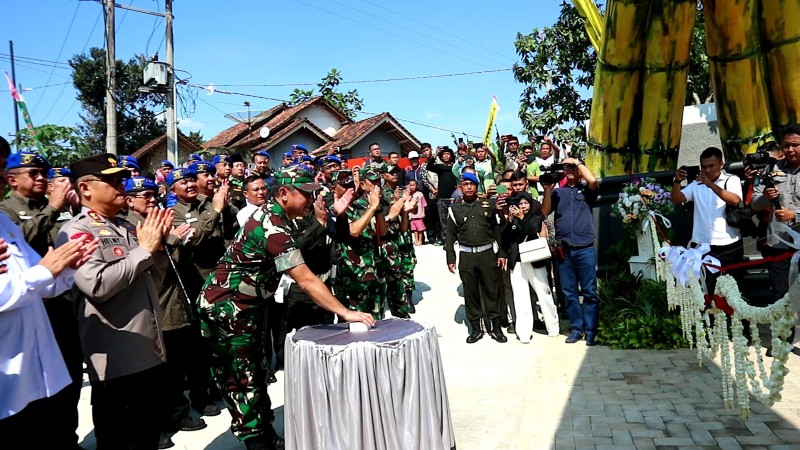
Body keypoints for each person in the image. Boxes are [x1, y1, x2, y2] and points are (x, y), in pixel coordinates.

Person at [198, 165, 376, 450]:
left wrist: (333, 214)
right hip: (228, 311)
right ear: (283, 193)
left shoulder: (284, 219)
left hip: (247, 308)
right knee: (242, 379)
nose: (311, 200)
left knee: (256, 372)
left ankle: (266, 435)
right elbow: (304, 279)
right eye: (305, 194)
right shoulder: (272, 225)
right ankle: (257, 442)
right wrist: (346, 312)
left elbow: (315, 236)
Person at [57, 153, 175, 449]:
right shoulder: (75, 231)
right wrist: (143, 251)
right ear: (85, 189)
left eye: (121, 179)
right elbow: (96, 285)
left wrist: (157, 249)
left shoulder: (124, 226)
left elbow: (151, 282)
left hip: (149, 352)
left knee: (147, 438)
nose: (122, 185)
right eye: (111, 180)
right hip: (118, 365)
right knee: (121, 441)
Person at [542, 157, 600, 346]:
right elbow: (545, 210)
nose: (568, 170)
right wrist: (548, 189)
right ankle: (577, 328)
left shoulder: (585, 189)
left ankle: (591, 330)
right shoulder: (559, 192)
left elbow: (592, 181)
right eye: (565, 167)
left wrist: (577, 162)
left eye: (571, 168)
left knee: (590, 292)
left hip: (584, 248)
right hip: (564, 250)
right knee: (569, 292)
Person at [671, 146, 743, 295]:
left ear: (721, 165)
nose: (707, 170)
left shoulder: (731, 179)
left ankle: (736, 318)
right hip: (703, 245)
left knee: (733, 289)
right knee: (709, 288)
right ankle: (712, 316)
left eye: (711, 166)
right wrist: (677, 181)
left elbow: (735, 200)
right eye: (704, 167)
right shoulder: (696, 184)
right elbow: (677, 199)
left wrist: (711, 185)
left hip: (728, 244)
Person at [445, 172, 507, 344]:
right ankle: (476, 329)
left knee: (491, 291)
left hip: (487, 254)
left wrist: (501, 253)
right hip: (467, 256)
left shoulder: (488, 205)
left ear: (477, 186)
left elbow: (497, 231)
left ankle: (496, 328)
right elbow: (450, 236)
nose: (469, 187)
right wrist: (450, 258)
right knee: (471, 293)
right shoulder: (454, 209)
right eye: (465, 184)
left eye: (472, 184)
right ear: (460, 188)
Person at [502, 191, 560, 342]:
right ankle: (523, 332)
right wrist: (509, 221)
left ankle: (552, 327)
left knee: (543, 293)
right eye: (519, 204)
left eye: (525, 203)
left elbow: (533, 232)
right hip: (518, 261)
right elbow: (505, 239)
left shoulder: (536, 217)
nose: (522, 206)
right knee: (520, 298)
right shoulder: (512, 219)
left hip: (535, 259)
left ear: (530, 204)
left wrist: (521, 218)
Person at [751, 127, 800, 303]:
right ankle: (787, 331)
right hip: (780, 244)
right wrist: (765, 197)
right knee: (782, 298)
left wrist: (794, 215)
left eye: (795, 145)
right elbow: (754, 204)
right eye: (786, 145)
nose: (790, 150)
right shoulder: (770, 169)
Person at [428, 146, 458, 246]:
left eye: (448, 154)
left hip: (454, 198)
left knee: (455, 219)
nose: (446, 156)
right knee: (443, 221)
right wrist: (436, 154)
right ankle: (446, 241)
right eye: (444, 154)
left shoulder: (455, 167)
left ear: (451, 156)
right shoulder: (439, 167)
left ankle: (457, 238)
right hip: (442, 198)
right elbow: (429, 166)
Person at [407, 179, 426, 246]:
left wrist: (423, 212)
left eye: (413, 185)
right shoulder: (408, 195)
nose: (412, 187)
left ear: (417, 186)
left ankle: (420, 240)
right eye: (410, 185)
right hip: (411, 215)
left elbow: (424, 204)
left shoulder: (420, 194)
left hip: (418, 215)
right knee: (414, 229)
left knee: (420, 229)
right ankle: (416, 240)